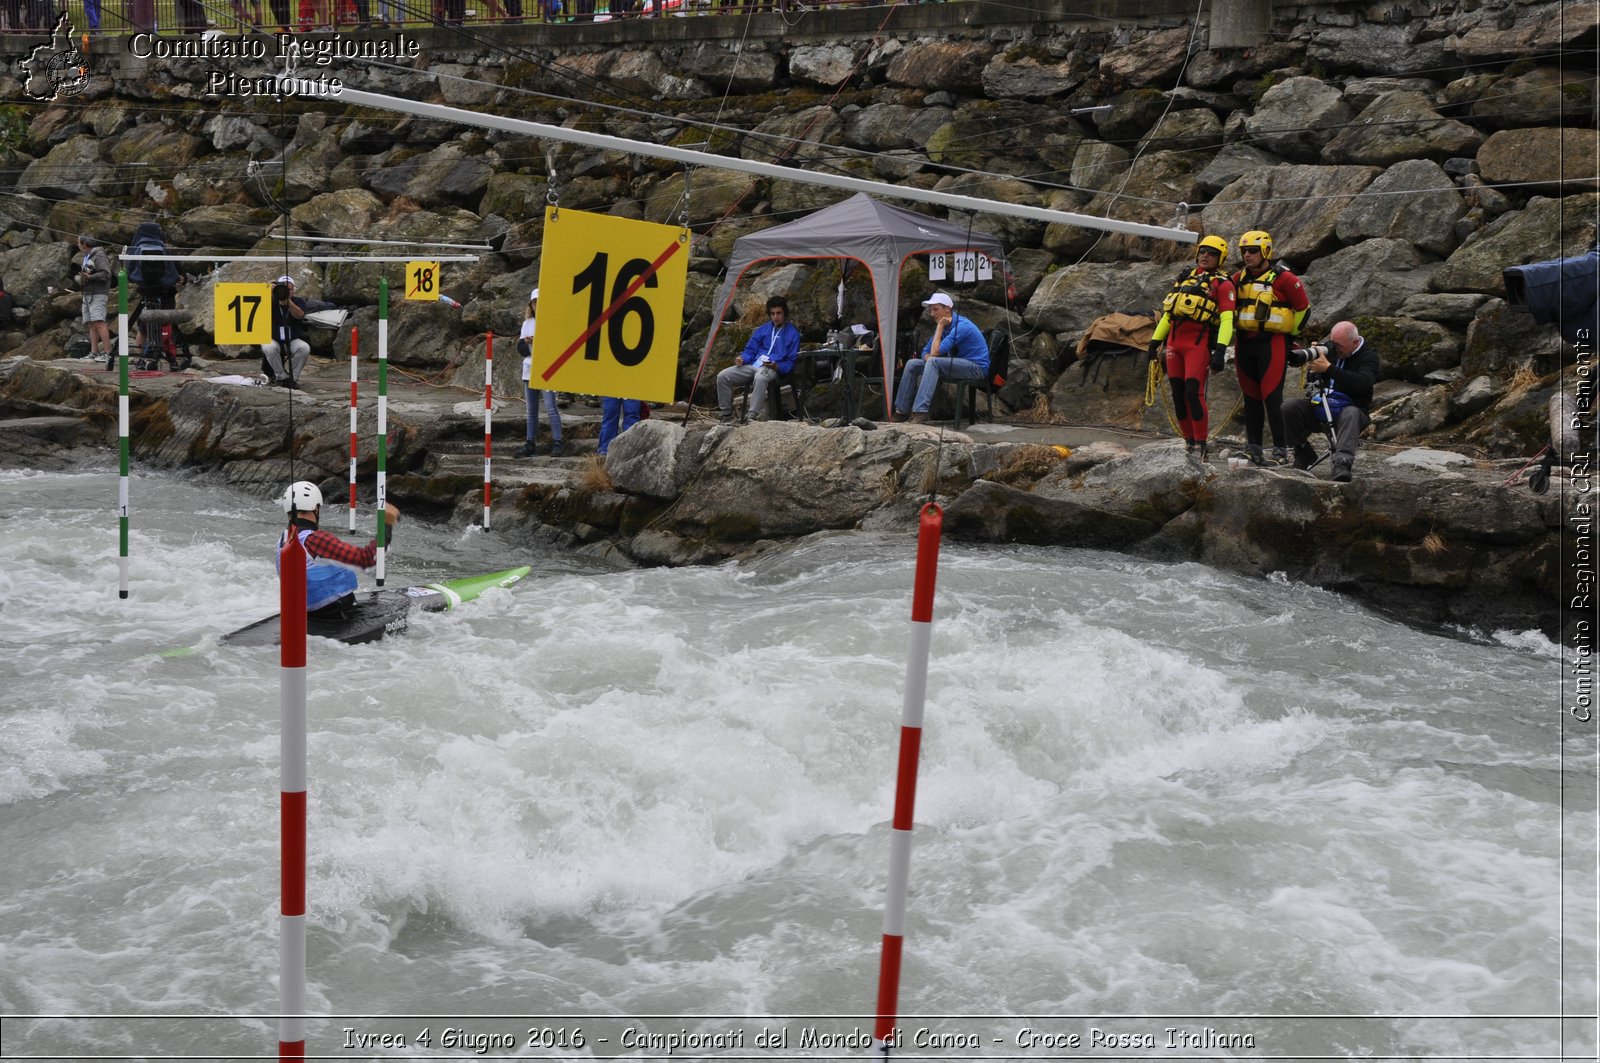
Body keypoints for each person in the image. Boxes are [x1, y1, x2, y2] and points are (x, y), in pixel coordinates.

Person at [1147, 234, 1236, 462]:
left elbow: (1227, 320)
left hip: (1198, 346)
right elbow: (1169, 314)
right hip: (1174, 345)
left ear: (1221, 258)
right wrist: (1155, 341)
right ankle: (1188, 441)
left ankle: (1201, 443)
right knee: (1178, 395)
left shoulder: (1223, 284)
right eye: (1203, 251)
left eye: (1212, 253)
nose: (1205, 255)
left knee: (1193, 394)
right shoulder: (1185, 278)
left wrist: (1219, 350)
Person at [1230, 229, 1310, 466]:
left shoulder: (1284, 278)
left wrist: (1290, 336)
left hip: (1272, 343)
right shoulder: (1238, 279)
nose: (1247, 255)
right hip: (1244, 343)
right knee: (1251, 398)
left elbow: (1303, 310)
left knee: (1272, 398)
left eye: (1253, 251)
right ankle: (1253, 447)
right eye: (1244, 251)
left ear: (1266, 251)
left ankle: (1281, 449)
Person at [276, 480, 401, 617]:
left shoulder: (283, 540)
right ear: (315, 508)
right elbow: (367, 559)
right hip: (338, 616)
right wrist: (387, 524)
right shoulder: (315, 540)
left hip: (307, 616)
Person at [1283, 321, 1380, 483]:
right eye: (1333, 343)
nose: (1335, 349)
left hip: (1350, 412)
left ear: (1354, 342)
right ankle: (1303, 453)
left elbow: (1363, 383)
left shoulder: (1369, 357)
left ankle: (1342, 463)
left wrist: (1329, 368)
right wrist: (1314, 364)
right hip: (1321, 406)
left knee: (1351, 413)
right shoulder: (1331, 351)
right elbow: (1313, 382)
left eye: (1339, 345)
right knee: (1289, 407)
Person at [891, 291, 989, 424]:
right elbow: (926, 350)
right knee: (912, 364)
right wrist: (928, 357)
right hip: (959, 366)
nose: (932, 314)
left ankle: (921, 412)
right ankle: (901, 412)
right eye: (931, 310)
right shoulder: (945, 327)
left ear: (947, 309)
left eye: (935, 309)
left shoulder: (961, 326)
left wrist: (939, 327)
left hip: (976, 368)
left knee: (934, 362)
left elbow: (935, 352)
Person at [717, 295, 801, 424]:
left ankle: (752, 417)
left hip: (772, 368)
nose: (775, 317)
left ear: (785, 313)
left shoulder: (793, 334)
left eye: (779, 313)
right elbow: (750, 350)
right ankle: (727, 416)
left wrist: (776, 366)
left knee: (760, 377)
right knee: (723, 376)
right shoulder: (763, 329)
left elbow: (790, 362)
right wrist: (742, 358)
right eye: (772, 314)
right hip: (753, 365)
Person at [261, 275, 333, 389]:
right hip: (273, 338)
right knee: (269, 347)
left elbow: (299, 315)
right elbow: (258, 309)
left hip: (291, 339)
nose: (286, 291)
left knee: (304, 348)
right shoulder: (271, 301)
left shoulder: (298, 301)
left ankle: (292, 379)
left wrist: (287, 300)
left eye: (289, 289)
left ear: (293, 290)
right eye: (283, 288)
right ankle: (281, 377)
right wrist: (266, 291)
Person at [516, 288, 563, 457]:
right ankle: (530, 442)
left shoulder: (552, 323)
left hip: (546, 370)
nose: (537, 305)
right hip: (529, 369)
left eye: (540, 302)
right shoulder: (527, 324)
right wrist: (531, 344)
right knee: (531, 410)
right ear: (531, 305)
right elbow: (521, 348)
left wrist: (536, 343)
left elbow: (553, 348)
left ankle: (558, 441)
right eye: (535, 302)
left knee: (551, 407)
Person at [76, 235, 112, 364]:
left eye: (79, 243)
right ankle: (94, 352)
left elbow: (106, 274)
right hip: (88, 294)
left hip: (98, 293)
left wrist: (89, 277)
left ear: (85, 244)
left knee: (99, 321)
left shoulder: (99, 255)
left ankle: (108, 353)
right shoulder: (87, 256)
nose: (78, 245)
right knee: (91, 323)